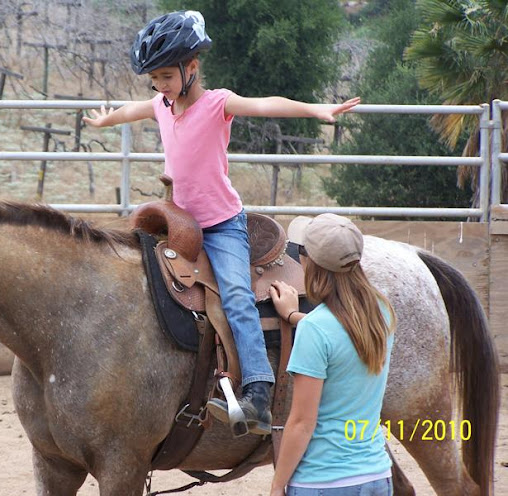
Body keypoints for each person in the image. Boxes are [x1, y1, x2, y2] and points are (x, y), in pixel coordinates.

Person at [83, 10, 360, 436]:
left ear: (191, 68)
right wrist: (107, 119)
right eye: (154, 79)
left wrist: (314, 109)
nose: (160, 87)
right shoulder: (161, 104)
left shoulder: (217, 104)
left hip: (220, 224)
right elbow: (134, 110)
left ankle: (258, 390)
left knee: (234, 294)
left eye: (167, 77)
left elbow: (267, 105)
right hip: (178, 219)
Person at [268, 213, 396, 495]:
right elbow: (342, 333)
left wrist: (278, 485)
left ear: (309, 262)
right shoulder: (381, 314)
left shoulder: (316, 331)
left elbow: (302, 423)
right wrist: (293, 315)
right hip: (377, 476)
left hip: (322, 481)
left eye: (300, 251)